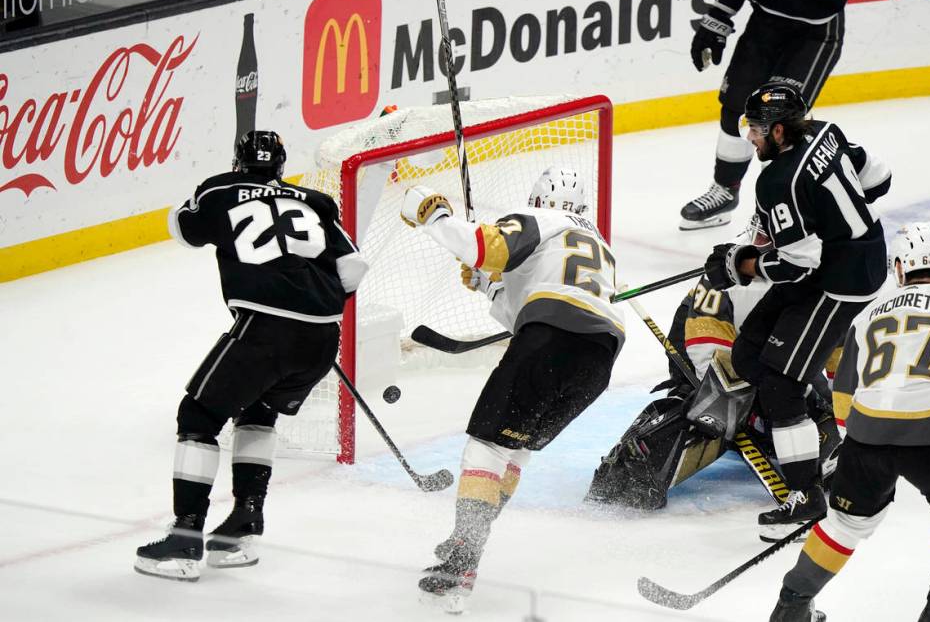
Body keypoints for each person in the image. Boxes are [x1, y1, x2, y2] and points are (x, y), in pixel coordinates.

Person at [133, 131, 368, 582]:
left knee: (198, 415)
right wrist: (309, 309)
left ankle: (184, 539)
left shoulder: (221, 188)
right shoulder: (315, 201)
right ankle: (243, 528)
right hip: (322, 335)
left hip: (264, 328)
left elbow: (182, 228)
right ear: (281, 166)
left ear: (238, 162)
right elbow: (353, 268)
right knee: (259, 412)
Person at [399, 167, 623, 613]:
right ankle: (469, 540)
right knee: (514, 449)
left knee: (486, 447)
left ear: (539, 200)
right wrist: (491, 285)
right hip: (598, 361)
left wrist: (436, 215)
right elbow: (523, 311)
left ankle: (464, 557)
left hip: (551, 339)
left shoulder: (540, 219)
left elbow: (483, 246)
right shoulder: (599, 244)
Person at [704, 82, 892, 542]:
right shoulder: (826, 130)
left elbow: (793, 265)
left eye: (757, 129)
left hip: (842, 280)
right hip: (836, 260)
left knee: (781, 382)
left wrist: (738, 264)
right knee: (750, 356)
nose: (750, 137)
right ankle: (815, 427)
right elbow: (879, 178)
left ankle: (805, 494)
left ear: (782, 130)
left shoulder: (777, 181)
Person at [770, 222, 930, 622]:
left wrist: (861, 447)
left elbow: (844, 395)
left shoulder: (867, 315)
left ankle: (790, 608)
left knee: (843, 525)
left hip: (868, 436)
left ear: (900, 266)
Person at [586, 217, 840, 513]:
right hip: (708, 356)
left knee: (826, 416)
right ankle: (639, 463)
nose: (758, 244)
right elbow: (708, 354)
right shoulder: (730, 272)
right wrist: (743, 404)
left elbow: (839, 360)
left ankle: (769, 432)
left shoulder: (822, 277)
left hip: (776, 360)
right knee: (713, 410)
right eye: (758, 236)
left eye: (767, 238)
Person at [679, 0, 847, 230]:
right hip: (765, 24)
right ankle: (725, 190)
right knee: (735, 107)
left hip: (813, 33)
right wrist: (717, 18)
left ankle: (775, 211)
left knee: (778, 120)